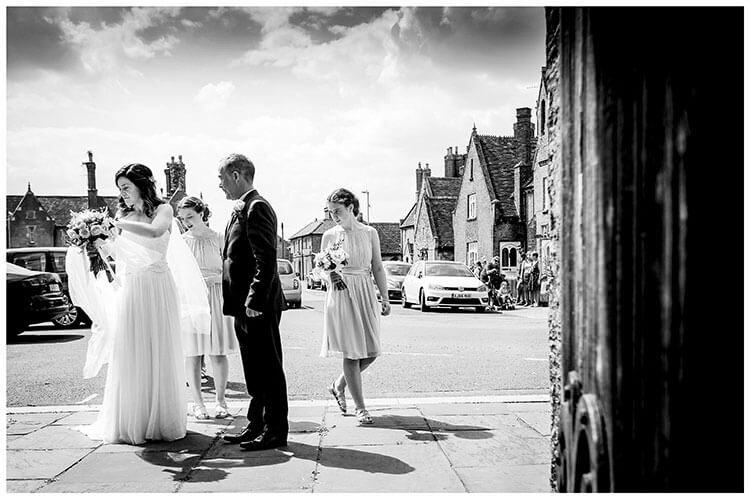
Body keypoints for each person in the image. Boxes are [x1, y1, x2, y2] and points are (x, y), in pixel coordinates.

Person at [67, 163, 210, 445]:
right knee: (132, 347)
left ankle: (161, 419)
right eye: (120, 188)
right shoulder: (122, 213)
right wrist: (97, 242)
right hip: (132, 287)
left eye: (126, 187)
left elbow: (156, 233)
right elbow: (118, 253)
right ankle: (132, 419)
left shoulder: (163, 210)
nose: (123, 193)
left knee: (160, 347)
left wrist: (112, 225)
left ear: (142, 185)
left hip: (158, 285)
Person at [218, 154, 289, 452]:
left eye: (221, 178)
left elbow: (266, 258)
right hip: (242, 305)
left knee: (269, 370)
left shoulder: (257, 207)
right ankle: (256, 425)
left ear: (237, 176)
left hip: (256, 304)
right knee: (254, 370)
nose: (220, 185)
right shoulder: (243, 207)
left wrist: (255, 299)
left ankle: (275, 431)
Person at [320, 188, 390, 425]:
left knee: (371, 351)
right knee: (352, 351)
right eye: (331, 212)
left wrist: (385, 297)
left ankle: (338, 385)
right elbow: (322, 269)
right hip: (341, 293)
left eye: (338, 211)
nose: (334, 216)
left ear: (351, 208)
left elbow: (378, 267)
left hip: (365, 291)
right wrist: (331, 275)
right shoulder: (329, 235)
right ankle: (361, 408)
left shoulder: (370, 233)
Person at [177, 196, 239, 420]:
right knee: (193, 353)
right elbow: (177, 273)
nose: (187, 222)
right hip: (191, 300)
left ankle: (221, 401)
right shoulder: (182, 242)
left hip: (215, 296)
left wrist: (217, 280)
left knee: (217, 351)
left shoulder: (219, 238)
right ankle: (198, 403)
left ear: (202, 214)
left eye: (190, 217)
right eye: (183, 218)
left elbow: (232, 268)